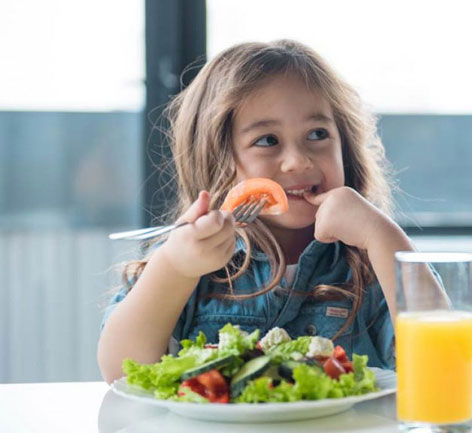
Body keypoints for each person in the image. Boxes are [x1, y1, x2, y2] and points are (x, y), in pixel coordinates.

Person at [97, 40, 414, 383]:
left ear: (346, 149)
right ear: (217, 160)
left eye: (317, 134)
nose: (298, 161)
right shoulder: (187, 257)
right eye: (267, 140)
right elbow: (121, 371)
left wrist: (385, 239)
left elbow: (438, 363)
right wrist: (174, 268)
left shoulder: (370, 261)